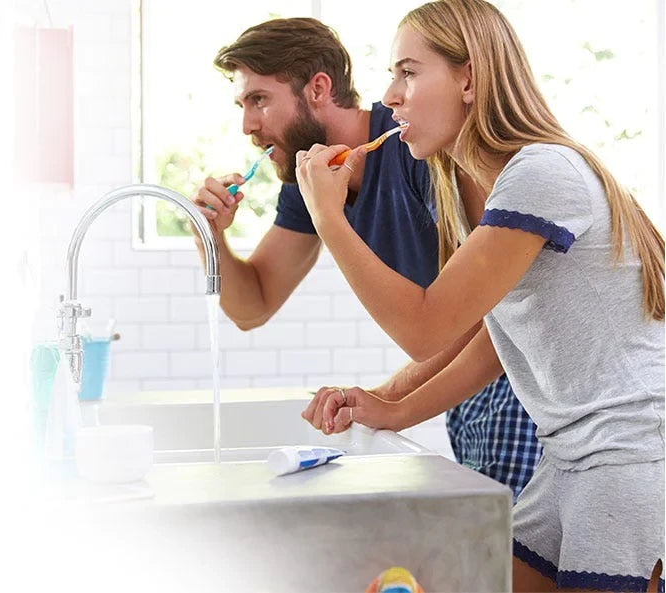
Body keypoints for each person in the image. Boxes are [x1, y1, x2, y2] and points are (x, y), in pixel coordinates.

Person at [294, 1, 664, 591]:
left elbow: (424, 328)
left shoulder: (540, 173)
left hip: (629, 459)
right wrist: (394, 410)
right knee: (470, 581)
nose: (390, 95)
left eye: (408, 72)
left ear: (469, 78)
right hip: (572, 460)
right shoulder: (498, 195)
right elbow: (502, 337)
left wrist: (329, 220)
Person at [191, 17, 541, 501]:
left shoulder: (420, 148)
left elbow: (484, 314)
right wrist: (209, 239)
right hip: (462, 391)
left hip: (518, 383)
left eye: (259, 100)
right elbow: (253, 305)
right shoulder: (308, 179)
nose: (248, 125)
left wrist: (387, 398)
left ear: (318, 88)